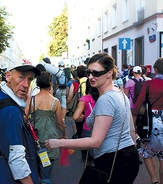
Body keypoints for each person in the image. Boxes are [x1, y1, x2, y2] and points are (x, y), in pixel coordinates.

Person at [45, 52, 139, 184]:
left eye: (96, 73)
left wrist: (59, 143)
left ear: (109, 73)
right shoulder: (119, 94)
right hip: (126, 157)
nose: (91, 77)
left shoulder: (107, 99)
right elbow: (131, 131)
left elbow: (95, 141)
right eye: (89, 72)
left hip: (114, 159)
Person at [0, 60, 41, 184]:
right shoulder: (11, 111)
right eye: (21, 77)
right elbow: (16, 158)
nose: (26, 84)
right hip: (6, 177)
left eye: (30, 79)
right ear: (8, 76)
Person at [25, 71, 67, 184]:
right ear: (50, 84)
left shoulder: (32, 99)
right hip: (50, 141)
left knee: (33, 168)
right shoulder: (55, 101)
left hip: (34, 140)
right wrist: (64, 135)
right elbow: (60, 123)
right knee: (46, 171)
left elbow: (24, 119)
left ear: (38, 84)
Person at [132, 58, 163, 184]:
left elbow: (138, 105)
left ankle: (154, 180)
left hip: (151, 123)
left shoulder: (148, 84)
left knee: (147, 152)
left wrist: (133, 125)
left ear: (155, 70)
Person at [72, 78, 99, 164]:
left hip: (87, 130)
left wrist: (83, 117)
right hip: (101, 129)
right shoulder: (103, 97)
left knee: (89, 157)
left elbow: (75, 117)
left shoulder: (84, 99)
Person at [66, 65, 87, 139]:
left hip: (79, 109)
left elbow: (70, 96)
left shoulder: (75, 83)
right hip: (89, 107)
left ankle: (80, 140)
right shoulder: (90, 81)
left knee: (80, 127)